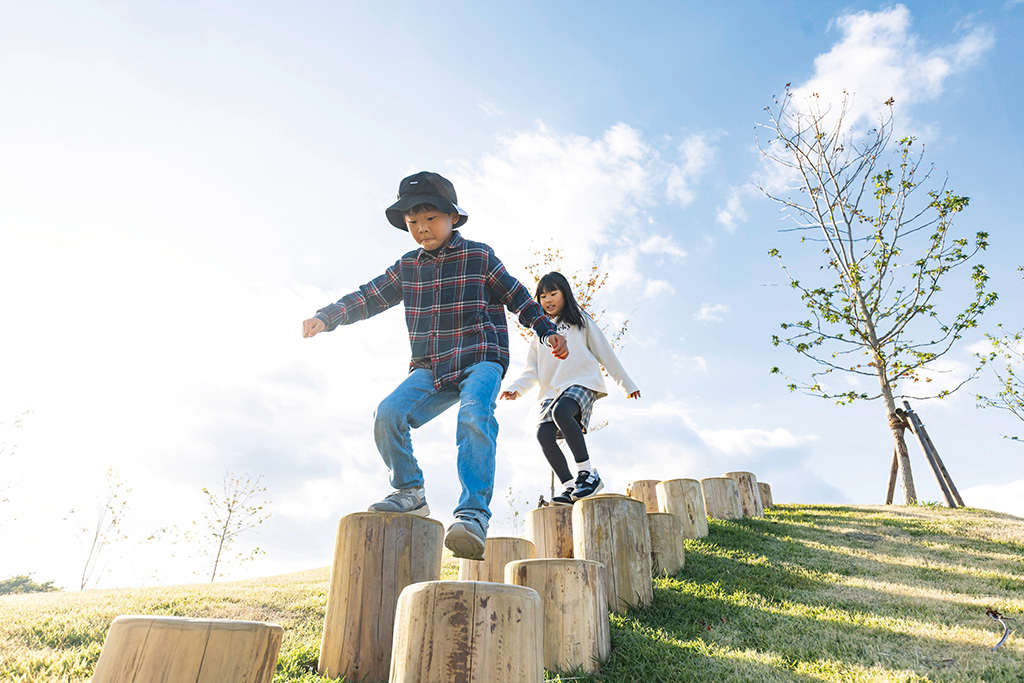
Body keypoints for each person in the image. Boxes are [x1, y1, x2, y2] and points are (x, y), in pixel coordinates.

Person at [301, 172, 568, 560]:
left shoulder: (479, 255)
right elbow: (369, 296)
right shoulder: (408, 267)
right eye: (412, 224)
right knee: (388, 414)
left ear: (453, 218)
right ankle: (410, 491)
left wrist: (545, 330)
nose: (422, 230)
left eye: (430, 220)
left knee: (474, 414)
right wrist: (328, 316)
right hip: (432, 364)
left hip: (481, 355)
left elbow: (517, 295)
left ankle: (473, 515)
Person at [501, 272, 639, 504]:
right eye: (543, 296)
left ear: (565, 294)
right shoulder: (540, 333)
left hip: (582, 382)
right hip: (551, 392)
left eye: (553, 293)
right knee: (543, 434)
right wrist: (516, 388)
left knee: (561, 411)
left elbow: (605, 352)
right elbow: (532, 370)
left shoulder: (580, 321)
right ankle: (570, 486)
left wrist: (626, 384)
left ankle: (588, 473)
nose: (548, 300)